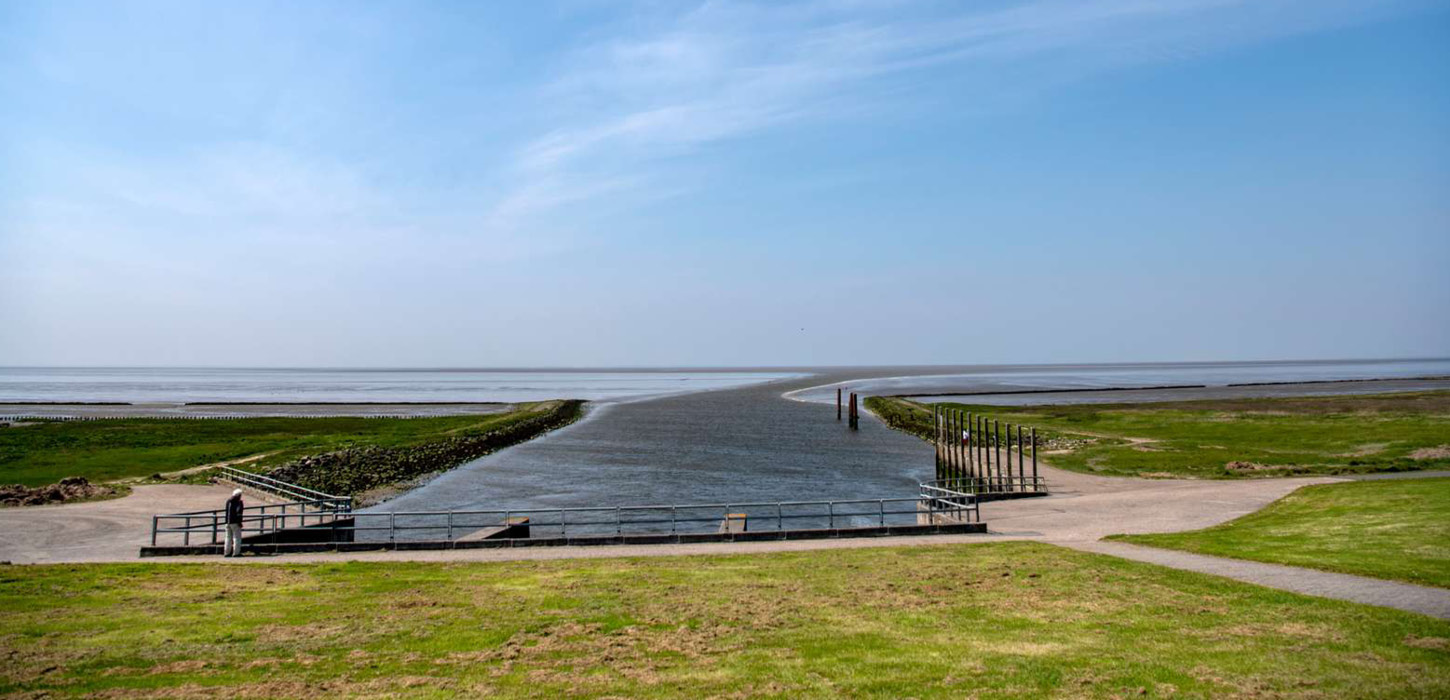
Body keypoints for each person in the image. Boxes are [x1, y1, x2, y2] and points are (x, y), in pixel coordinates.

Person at [224, 488, 244, 557]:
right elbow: (238, 513)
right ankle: (236, 552)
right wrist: (239, 522)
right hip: (235, 522)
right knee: (237, 538)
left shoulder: (228, 501)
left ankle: (227, 552)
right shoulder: (238, 502)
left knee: (228, 538)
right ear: (238, 495)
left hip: (227, 522)